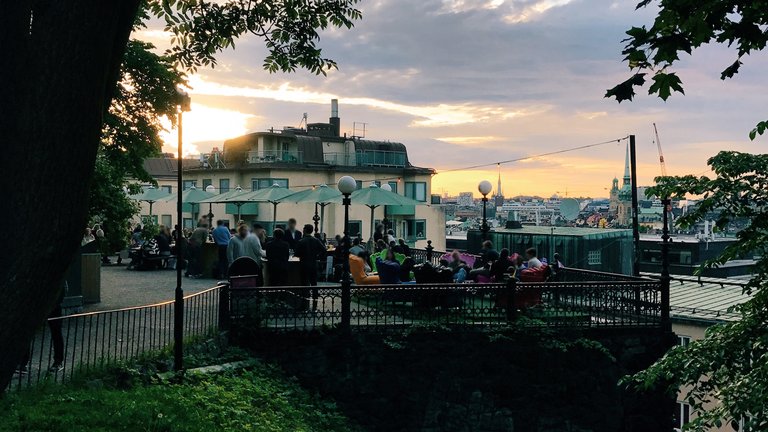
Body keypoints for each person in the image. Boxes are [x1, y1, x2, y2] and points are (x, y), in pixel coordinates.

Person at [295, 224, 325, 288]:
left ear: (305, 230)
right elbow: (324, 250)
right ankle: (315, 296)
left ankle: (305, 295)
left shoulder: (301, 241)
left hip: (304, 263)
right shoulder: (316, 240)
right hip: (313, 263)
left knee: (304, 281)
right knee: (314, 282)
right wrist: (317, 255)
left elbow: (296, 254)